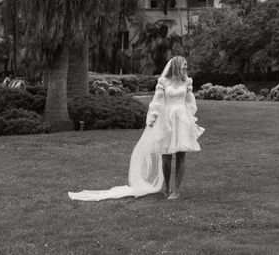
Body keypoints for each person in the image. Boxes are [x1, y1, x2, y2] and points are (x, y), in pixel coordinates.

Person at [68, 56, 204, 201]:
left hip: (181, 120)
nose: (185, 68)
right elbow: (157, 101)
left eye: (186, 66)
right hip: (166, 119)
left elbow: (190, 101)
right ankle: (166, 187)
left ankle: (176, 191)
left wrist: (188, 118)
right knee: (166, 155)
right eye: (183, 65)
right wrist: (153, 116)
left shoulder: (187, 81)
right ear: (176, 66)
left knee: (181, 155)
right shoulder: (163, 81)